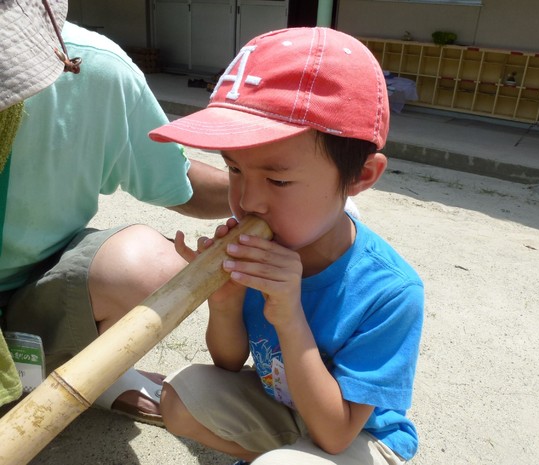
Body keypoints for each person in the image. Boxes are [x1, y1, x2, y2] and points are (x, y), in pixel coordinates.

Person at [150, 27, 425, 464]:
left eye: (277, 179)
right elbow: (227, 364)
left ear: (361, 176)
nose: (247, 201)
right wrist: (224, 303)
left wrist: (288, 311)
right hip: (286, 410)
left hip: (359, 437)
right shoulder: (269, 246)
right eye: (234, 169)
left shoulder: (390, 292)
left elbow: (336, 434)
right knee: (181, 397)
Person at [0, 0, 230, 422]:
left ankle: (90, 369)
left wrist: (269, 189)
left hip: (31, 296)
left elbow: (176, 180)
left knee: (150, 262)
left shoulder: (94, 66)